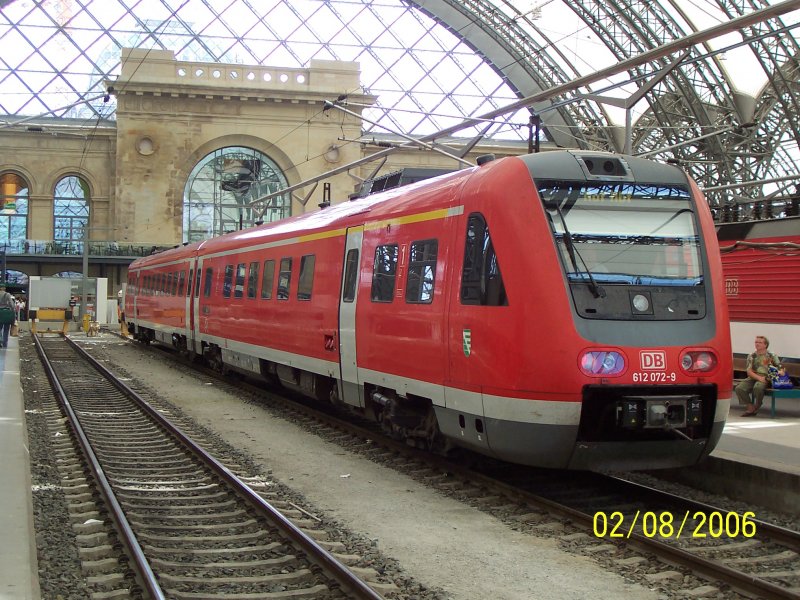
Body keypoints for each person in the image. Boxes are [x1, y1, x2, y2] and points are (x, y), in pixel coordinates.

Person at [735, 335, 782, 416]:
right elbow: (749, 371)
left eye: (760, 342)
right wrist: (759, 378)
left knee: (758, 387)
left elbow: (779, 369)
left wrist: (770, 377)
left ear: (765, 345)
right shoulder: (752, 356)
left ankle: (758, 403)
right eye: (756, 342)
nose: (757, 344)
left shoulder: (771, 355)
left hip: (767, 377)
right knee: (739, 388)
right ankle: (750, 407)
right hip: (754, 376)